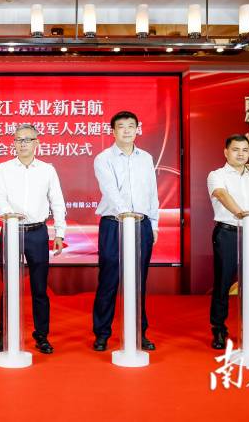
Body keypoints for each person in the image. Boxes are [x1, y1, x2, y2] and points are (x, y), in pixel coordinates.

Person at [0, 124, 66, 354]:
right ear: (13, 143)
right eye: (18, 140)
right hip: (11, 231)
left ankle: (41, 336)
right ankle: (5, 335)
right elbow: (0, 199)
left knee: (39, 288)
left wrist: (59, 233)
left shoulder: (47, 170)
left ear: (36, 143)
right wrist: (12, 217)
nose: (22, 144)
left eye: (27, 140)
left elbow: (57, 201)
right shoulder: (3, 169)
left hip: (37, 233)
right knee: (9, 286)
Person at [92, 111, 159, 352]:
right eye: (122, 126)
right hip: (114, 224)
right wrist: (127, 215)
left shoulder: (146, 158)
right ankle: (102, 333)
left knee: (138, 281)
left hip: (142, 224)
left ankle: (139, 333)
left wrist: (154, 223)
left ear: (137, 129)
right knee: (109, 280)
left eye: (132, 126)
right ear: (113, 131)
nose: (127, 130)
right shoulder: (103, 158)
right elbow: (110, 190)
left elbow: (152, 193)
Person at [207, 134, 249, 350]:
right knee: (223, 284)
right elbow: (221, 195)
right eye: (236, 149)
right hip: (227, 233)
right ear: (226, 152)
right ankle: (219, 330)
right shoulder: (217, 175)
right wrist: (242, 214)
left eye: (245, 150)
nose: (241, 154)